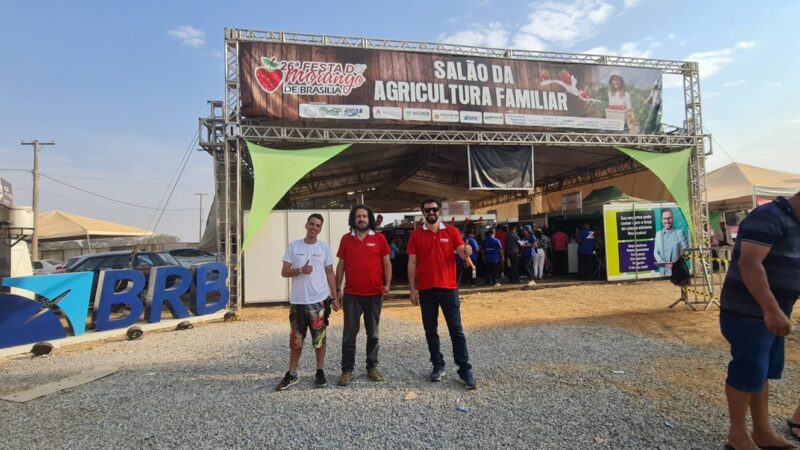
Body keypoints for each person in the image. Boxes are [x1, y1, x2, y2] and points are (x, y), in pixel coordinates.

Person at [719, 193, 800, 450]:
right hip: (749, 313)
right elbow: (750, 263)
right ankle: (738, 436)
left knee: (761, 372)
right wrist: (771, 309)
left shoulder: (792, 221)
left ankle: (763, 432)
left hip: (773, 313)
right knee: (747, 369)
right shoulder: (768, 217)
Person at [407, 198, 477, 389]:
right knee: (431, 330)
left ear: (439, 211)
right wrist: (413, 289)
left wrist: (467, 250)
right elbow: (412, 263)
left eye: (434, 209)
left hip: (448, 288)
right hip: (426, 290)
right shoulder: (415, 235)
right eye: (427, 210)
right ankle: (438, 365)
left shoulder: (452, 231)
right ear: (423, 212)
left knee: (456, 330)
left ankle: (464, 369)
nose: (431, 212)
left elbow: (462, 252)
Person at [277, 213, 339, 391]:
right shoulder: (294, 246)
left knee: (319, 339)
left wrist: (334, 297)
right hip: (298, 302)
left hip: (318, 302)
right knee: (296, 340)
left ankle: (320, 371)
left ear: (320, 229)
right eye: (312, 224)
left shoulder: (324, 248)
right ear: (306, 225)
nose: (314, 227)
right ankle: (292, 373)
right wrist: (300, 270)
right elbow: (284, 271)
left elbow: (329, 273)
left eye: (318, 225)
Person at [335, 205, 391, 387]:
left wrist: (388, 284)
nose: (361, 219)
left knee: (373, 334)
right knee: (349, 335)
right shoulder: (346, 239)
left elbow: (386, 263)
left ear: (369, 219)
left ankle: (372, 368)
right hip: (352, 295)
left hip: (374, 294)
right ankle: (347, 371)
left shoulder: (380, 238)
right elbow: (341, 266)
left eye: (364, 216)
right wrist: (337, 289)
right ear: (354, 219)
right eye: (358, 216)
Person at [654, 208, 688, 276]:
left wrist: (677, 264)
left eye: (669, 218)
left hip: (677, 273)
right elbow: (655, 251)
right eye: (665, 218)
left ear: (673, 218)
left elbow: (687, 252)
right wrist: (661, 261)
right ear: (662, 219)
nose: (667, 221)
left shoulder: (679, 233)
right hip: (662, 274)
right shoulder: (658, 234)